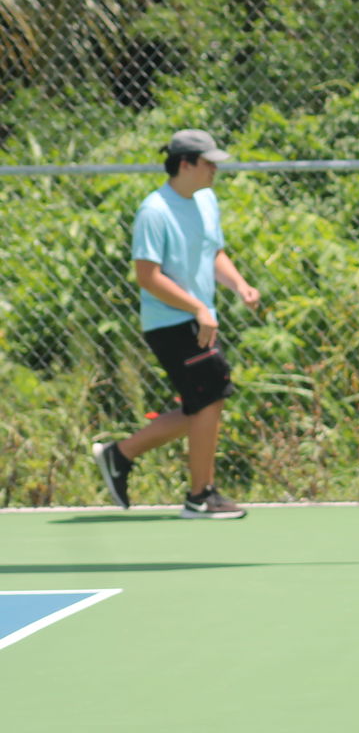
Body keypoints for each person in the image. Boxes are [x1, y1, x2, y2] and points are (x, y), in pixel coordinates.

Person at [91, 129, 259, 519]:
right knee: (211, 394)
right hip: (170, 322)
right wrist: (199, 308)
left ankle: (121, 455)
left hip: (198, 319)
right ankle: (199, 496)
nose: (215, 169)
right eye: (208, 162)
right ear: (185, 164)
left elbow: (211, 251)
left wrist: (239, 285)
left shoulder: (206, 199)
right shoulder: (155, 211)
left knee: (204, 403)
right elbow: (148, 276)